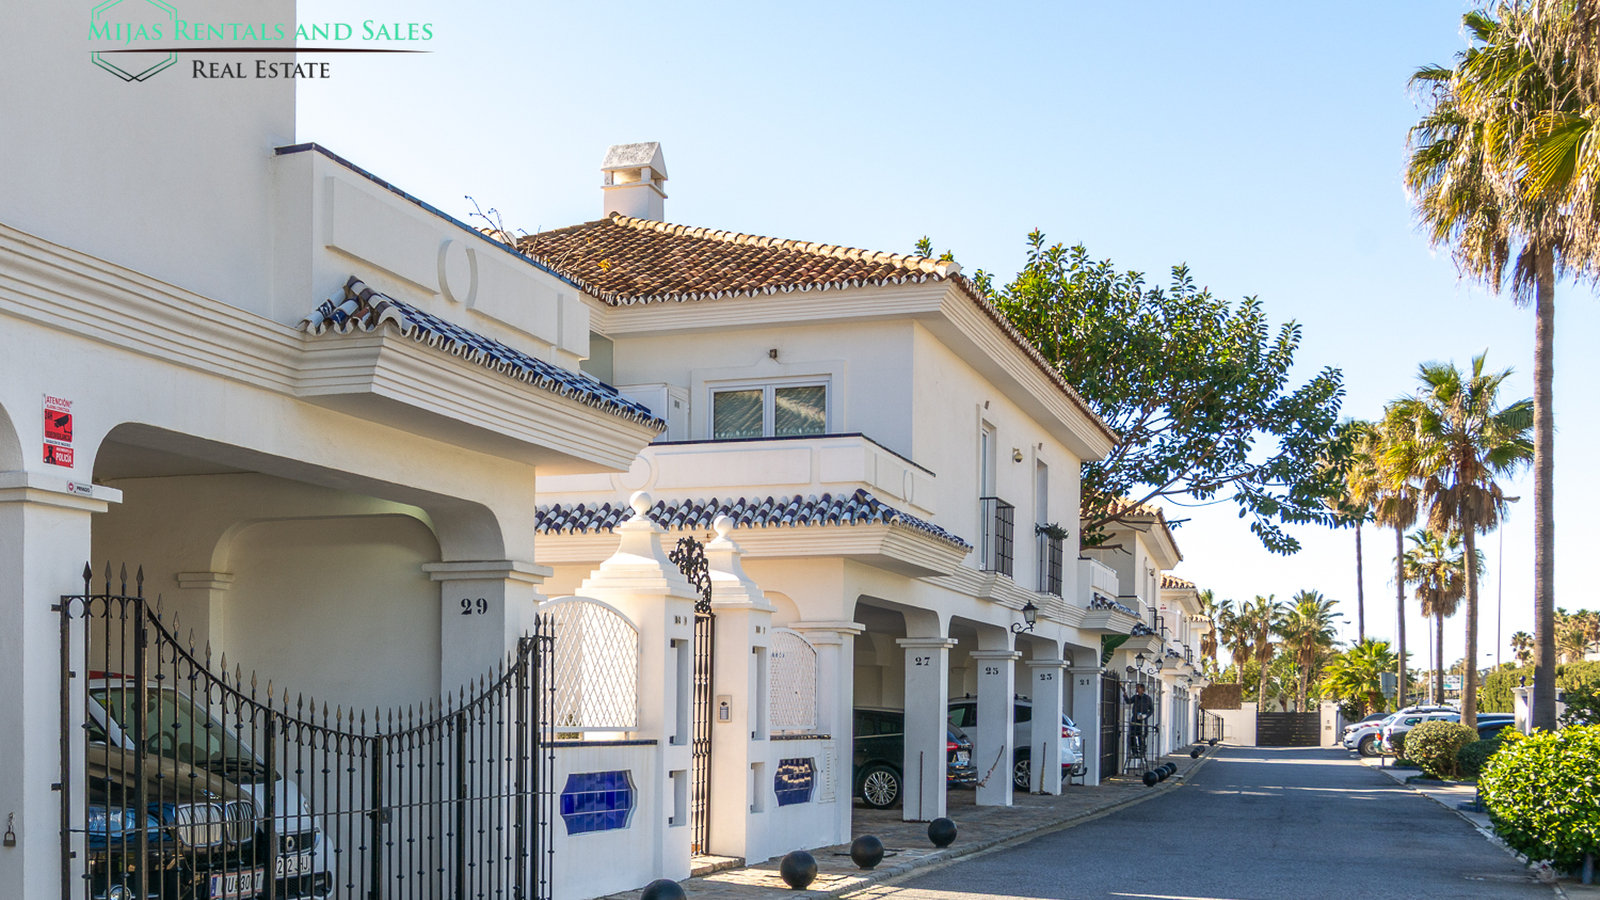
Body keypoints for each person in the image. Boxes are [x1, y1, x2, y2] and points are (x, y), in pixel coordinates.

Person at [1124, 683, 1154, 758]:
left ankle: (1142, 751)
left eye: (1138, 688)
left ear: (1142, 689)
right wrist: (1125, 695)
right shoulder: (1135, 697)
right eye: (1136, 688)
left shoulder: (1147, 698)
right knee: (1132, 735)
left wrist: (1146, 716)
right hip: (1135, 719)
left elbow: (1152, 709)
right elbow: (1129, 701)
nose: (1137, 689)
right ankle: (1134, 751)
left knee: (1142, 736)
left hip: (1143, 720)